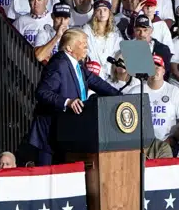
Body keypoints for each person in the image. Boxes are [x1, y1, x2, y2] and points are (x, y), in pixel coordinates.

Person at [29, 28, 122, 165]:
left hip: (66, 132)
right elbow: (42, 92)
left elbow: (97, 82)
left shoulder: (77, 65)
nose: (86, 47)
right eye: (82, 43)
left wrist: (121, 97)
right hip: (49, 135)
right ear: (69, 48)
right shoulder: (58, 64)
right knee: (47, 174)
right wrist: (67, 102)